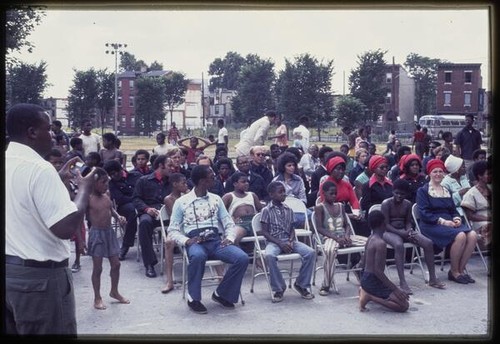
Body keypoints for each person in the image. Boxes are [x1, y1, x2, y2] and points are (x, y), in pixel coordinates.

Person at [5, 103, 96, 335]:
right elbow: (65, 227)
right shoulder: (39, 169)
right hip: (41, 282)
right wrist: (85, 190)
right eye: (49, 129)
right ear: (32, 132)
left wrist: (57, 179)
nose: (55, 135)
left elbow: (23, 201)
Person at [167, 165, 249, 314]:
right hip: (195, 241)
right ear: (202, 181)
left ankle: (221, 294)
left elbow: (228, 222)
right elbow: (172, 230)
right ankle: (194, 299)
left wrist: (230, 238)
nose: (215, 179)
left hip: (215, 241)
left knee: (242, 258)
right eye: (212, 177)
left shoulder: (216, 199)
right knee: (198, 256)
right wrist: (185, 241)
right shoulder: (182, 202)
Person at [416, 159, 478, 284]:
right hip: (431, 224)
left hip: (449, 223)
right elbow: (424, 213)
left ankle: (460, 271)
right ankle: (454, 271)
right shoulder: (423, 191)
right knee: (460, 236)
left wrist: (456, 218)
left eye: (440, 171)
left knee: (472, 235)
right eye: (435, 171)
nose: (438, 174)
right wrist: (443, 222)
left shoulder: (446, 190)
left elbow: (453, 209)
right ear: (429, 173)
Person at [381, 179, 446, 294]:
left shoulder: (407, 204)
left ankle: (432, 278)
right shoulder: (386, 204)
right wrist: (402, 233)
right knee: (399, 245)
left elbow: (407, 221)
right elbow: (385, 225)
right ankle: (402, 282)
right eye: (397, 193)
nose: (399, 196)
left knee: (428, 243)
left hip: (404, 230)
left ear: (406, 194)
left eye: (402, 194)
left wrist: (409, 230)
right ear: (393, 191)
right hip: (388, 232)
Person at [260, 181, 316, 302]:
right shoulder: (266, 210)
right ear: (271, 194)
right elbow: (264, 232)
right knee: (269, 255)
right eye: (280, 192)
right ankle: (279, 288)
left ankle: (301, 284)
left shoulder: (288, 209)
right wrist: (280, 243)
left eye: (284, 192)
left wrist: (290, 241)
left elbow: (292, 229)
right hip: (274, 242)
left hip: (289, 240)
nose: (284, 194)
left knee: (310, 252)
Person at [86, 167, 130, 310]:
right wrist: (80, 241)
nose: (106, 185)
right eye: (103, 182)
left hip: (109, 233)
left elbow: (110, 209)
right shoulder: (88, 198)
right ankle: (97, 297)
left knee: (116, 264)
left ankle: (114, 291)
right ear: (94, 183)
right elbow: (79, 217)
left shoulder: (107, 195)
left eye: (107, 182)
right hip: (97, 234)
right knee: (97, 268)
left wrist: (118, 216)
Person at [314, 181, 362, 296]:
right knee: (330, 250)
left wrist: (346, 235)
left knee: (371, 243)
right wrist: (336, 238)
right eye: (331, 194)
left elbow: (347, 225)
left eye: (335, 193)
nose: (334, 196)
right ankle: (326, 284)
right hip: (329, 237)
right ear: (324, 194)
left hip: (343, 236)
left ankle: (359, 267)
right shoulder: (319, 207)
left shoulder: (341, 206)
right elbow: (320, 228)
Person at [358, 210, 410, 313]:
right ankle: (370, 296)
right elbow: (378, 271)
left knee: (399, 298)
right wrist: (395, 289)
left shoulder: (370, 238)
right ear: (383, 223)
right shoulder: (381, 243)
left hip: (365, 278)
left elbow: (363, 262)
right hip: (372, 280)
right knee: (404, 305)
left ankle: (364, 290)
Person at [133, 155, 174, 278]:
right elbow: (135, 199)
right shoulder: (143, 180)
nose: (172, 168)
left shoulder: (172, 181)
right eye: (169, 165)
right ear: (161, 166)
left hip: (169, 213)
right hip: (150, 213)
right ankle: (149, 263)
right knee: (144, 223)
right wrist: (147, 209)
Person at [103, 160, 143, 261]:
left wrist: (137, 199)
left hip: (141, 204)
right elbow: (119, 198)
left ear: (120, 169)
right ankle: (125, 246)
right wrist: (136, 198)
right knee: (133, 212)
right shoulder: (111, 183)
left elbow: (145, 190)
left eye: (114, 173)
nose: (112, 176)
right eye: (110, 174)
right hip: (124, 207)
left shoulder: (136, 175)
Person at [162, 172, 190, 293]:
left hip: (190, 225)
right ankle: (169, 280)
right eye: (183, 183)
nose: (186, 185)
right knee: (168, 243)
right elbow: (178, 216)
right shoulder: (169, 199)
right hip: (176, 227)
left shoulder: (188, 195)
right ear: (175, 184)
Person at [222, 171, 264, 251]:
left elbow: (261, 210)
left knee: (270, 234)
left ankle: (259, 258)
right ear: (235, 184)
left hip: (254, 222)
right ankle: (242, 257)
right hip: (240, 223)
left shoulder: (252, 195)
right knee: (233, 238)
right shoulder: (229, 196)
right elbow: (221, 213)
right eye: (243, 182)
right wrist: (231, 219)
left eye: (247, 181)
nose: (246, 183)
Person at [461, 160, 492, 248]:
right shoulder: (471, 193)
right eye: (488, 173)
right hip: (480, 223)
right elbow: (470, 216)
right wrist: (488, 218)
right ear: (480, 176)